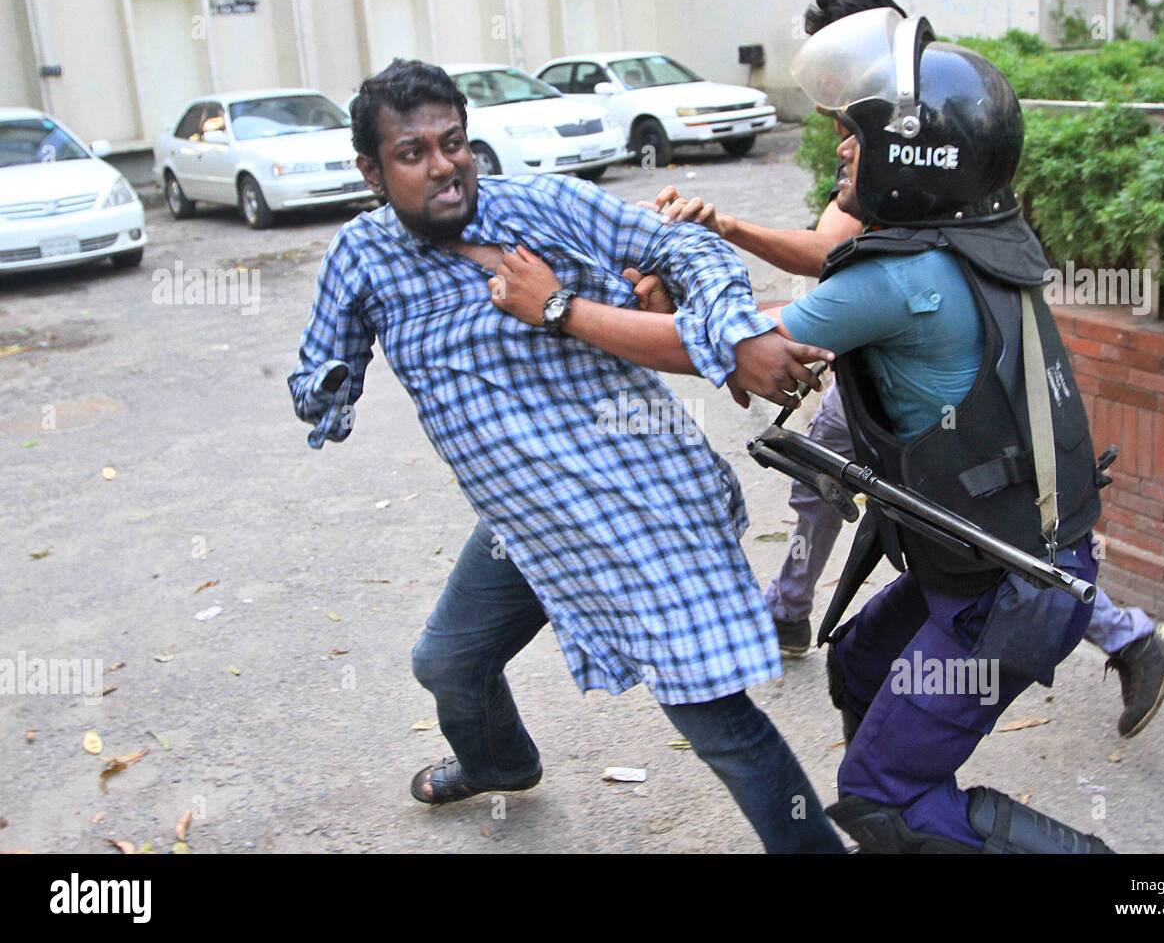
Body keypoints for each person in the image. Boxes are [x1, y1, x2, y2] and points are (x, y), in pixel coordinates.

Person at [490, 8, 1119, 852]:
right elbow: (793, 310)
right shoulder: (968, 236)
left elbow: (746, 348)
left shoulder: (907, 276)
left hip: (1012, 589)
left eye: (854, 136)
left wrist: (559, 308)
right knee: (859, 665)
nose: (840, 151)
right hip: (987, 564)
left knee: (880, 800)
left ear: (913, 154)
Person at [287, 58, 844, 853]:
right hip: (522, 524)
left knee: (714, 718)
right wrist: (331, 384)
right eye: (414, 154)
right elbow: (317, 371)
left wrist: (734, 330)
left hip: (632, 509)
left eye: (454, 143)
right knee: (448, 663)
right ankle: (501, 763)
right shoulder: (361, 258)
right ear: (371, 172)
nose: (444, 165)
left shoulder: (542, 207)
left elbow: (685, 250)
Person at [644, 0, 1164, 743]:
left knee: (905, 494)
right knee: (877, 502)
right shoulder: (916, 153)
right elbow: (842, 251)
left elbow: (831, 261)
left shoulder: (915, 137)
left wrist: (584, 308)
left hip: (895, 343)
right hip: (891, 342)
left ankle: (795, 613)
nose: (837, 123)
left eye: (845, 96)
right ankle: (805, 614)